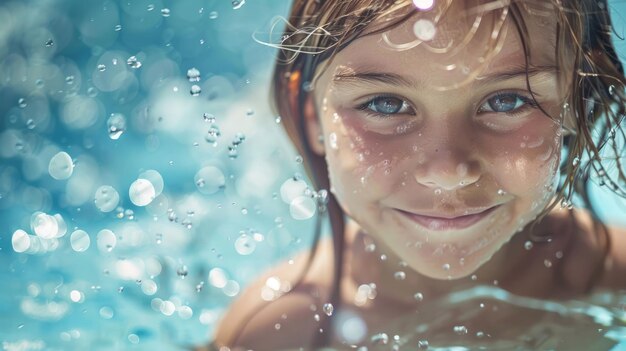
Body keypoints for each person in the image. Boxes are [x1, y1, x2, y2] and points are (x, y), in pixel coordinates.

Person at [203, 0, 626, 349]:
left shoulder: (617, 277)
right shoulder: (276, 332)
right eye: (385, 104)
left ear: (579, 97)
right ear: (311, 113)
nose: (448, 173)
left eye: (508, 101)